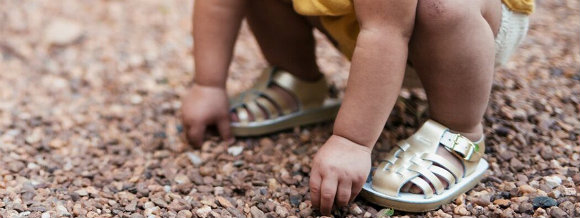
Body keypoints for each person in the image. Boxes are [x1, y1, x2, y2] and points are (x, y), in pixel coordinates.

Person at [180, 0, 533, 214]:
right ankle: (297, 76)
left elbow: (385, 30)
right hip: (362, 20)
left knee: (440, 6)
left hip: (464, 29)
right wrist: (208, 84)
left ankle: (460, 131)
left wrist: (351, 141)